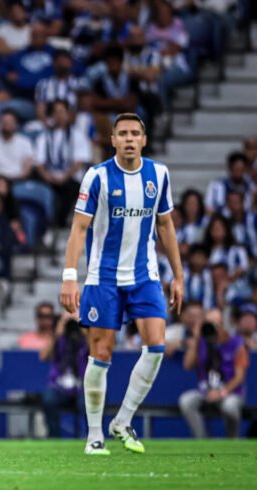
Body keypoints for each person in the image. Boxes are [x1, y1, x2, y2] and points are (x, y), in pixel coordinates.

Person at [61, 112, 184, 456]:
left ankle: (123, 420)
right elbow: (79, 229)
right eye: (123, 134)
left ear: (144, 140)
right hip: (103, 277)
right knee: (101, 354)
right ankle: (94, 436)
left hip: (145, 275)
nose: (129, 139)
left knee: (156, 347)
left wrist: (178, 275)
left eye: (135, 133)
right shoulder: (97, 176)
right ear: (113, 140)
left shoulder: (159, 174)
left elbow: (165, 226)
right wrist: (70, 277)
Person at [180, 308, 249, 438]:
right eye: (209, 323)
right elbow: (187, 365)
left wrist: (221, 392)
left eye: (215, 323)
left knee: (230, 407)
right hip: (205, 392)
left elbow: (240, 377)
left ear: (222, 324)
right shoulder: (201, 342)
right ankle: (202, 440)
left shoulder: (236, 343)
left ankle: (232, 441)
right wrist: (196, 339)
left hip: (230, 392)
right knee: (186, 401)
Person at [40, 313, 89, 438]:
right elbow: (43, 356)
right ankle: (54, 437)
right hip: (59, 386)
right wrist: (58, 332)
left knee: (89, 402)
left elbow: (96, 350)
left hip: (82, 387)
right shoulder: (59, 339)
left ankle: (91, 437)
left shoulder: (84, 340)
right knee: (49, 398)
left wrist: (82, 326)